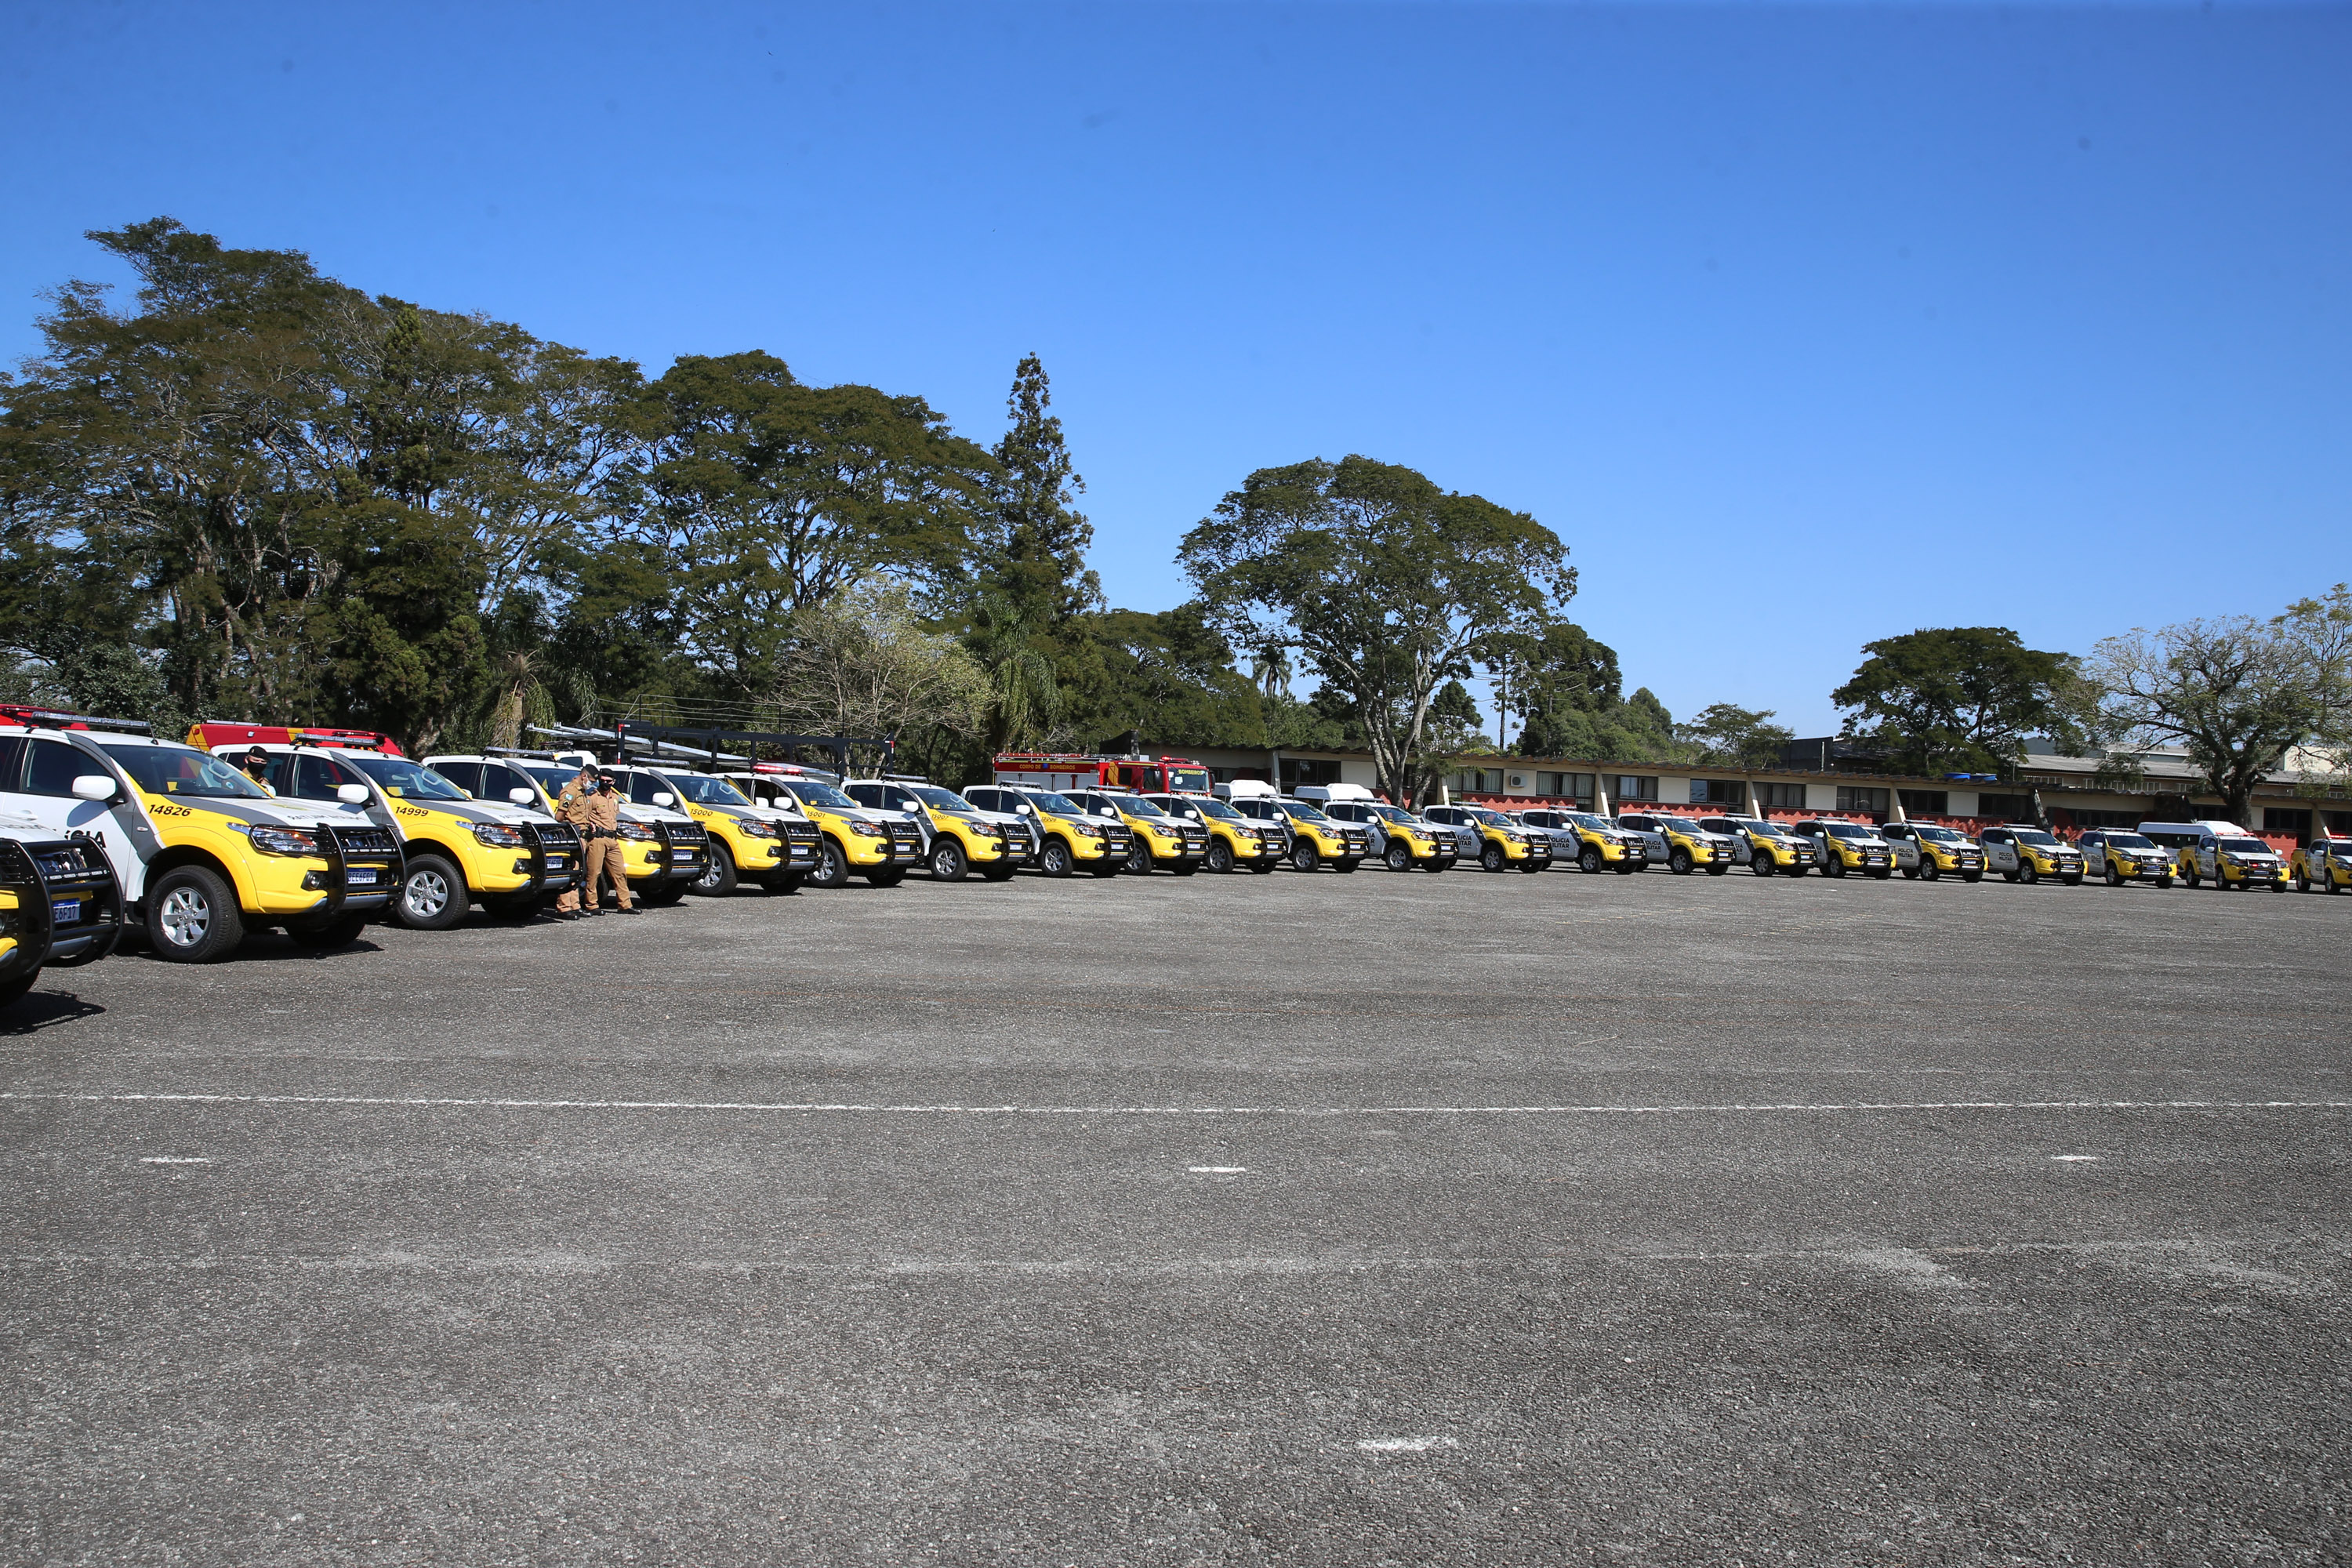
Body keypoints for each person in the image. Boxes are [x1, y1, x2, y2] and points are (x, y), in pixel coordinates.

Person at [555, 761, 634, 916]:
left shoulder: (610, 797)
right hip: (588, 837)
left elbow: (584, 815)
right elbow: (560, 816)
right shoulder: (578, 793)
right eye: (597, 781)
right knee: (587, 872)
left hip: (606, 837)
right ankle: (577, 906)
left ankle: (577, 907)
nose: (601, 784)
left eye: (607, 781)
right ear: (584, 776)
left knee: (618, 872)